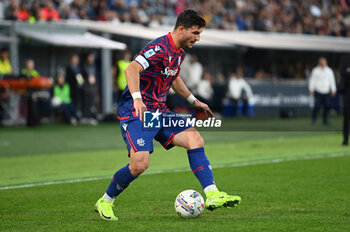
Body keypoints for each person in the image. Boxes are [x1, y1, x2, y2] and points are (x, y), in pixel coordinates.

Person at [95, 9, 241, 221]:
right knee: (140, 164)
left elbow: (173, 79)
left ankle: (212, 194)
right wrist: (137, 98)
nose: (198, 38)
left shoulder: (179, 52)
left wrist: (194, 101)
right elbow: (131, 70)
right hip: (138, 112)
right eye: (196, 33)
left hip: (158, 111)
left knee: (194, 138)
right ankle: (105, 201)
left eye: (200, 34)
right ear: (181, 29)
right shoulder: (159, 48)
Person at [309, 57, 337, 125]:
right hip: (318, 91)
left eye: (324, 62)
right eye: (322, 62)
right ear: (319, 63)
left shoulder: (329, 70)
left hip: (326, 91)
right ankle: (314, 119)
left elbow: (332, 81)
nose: (323, 63)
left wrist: (333, 89)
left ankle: (325, 120)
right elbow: (312, 80)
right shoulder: (315, 70)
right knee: (317, 106)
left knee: (327, 106)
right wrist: (311, 89)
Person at [339, 54, 350, 146]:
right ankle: (345, 139)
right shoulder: (345, 58)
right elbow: (342, 72)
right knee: (347, 116)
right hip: (347, 90)